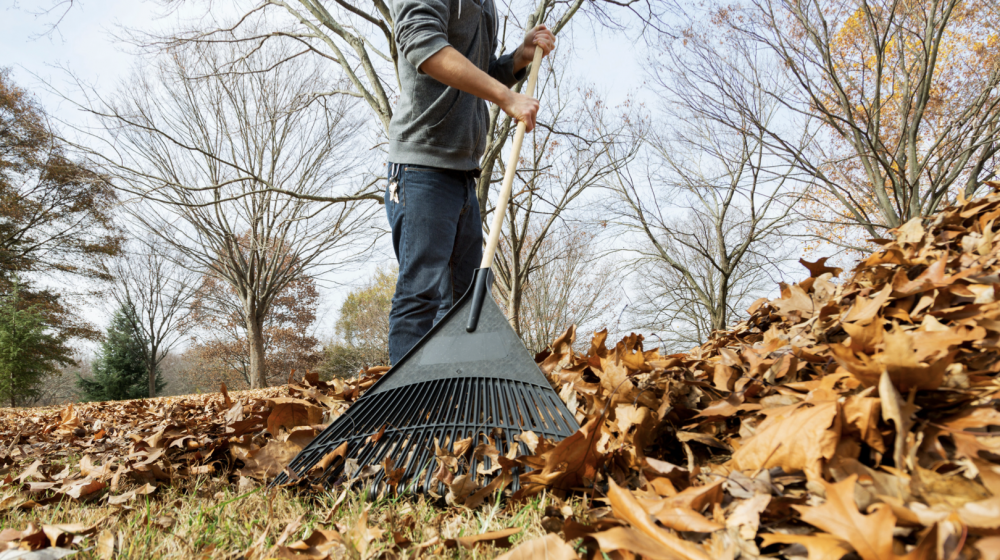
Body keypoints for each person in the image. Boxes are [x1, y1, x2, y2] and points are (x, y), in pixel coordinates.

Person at [385, 0, 555, 364]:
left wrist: (518, 59)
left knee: (463, 303)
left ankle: (454, 402)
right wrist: (507, 97)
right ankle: (405, 412)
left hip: (464, 173)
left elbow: (479, 71)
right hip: (422, 167)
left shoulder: (486, 5)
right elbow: (423, 45)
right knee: (420, 297)